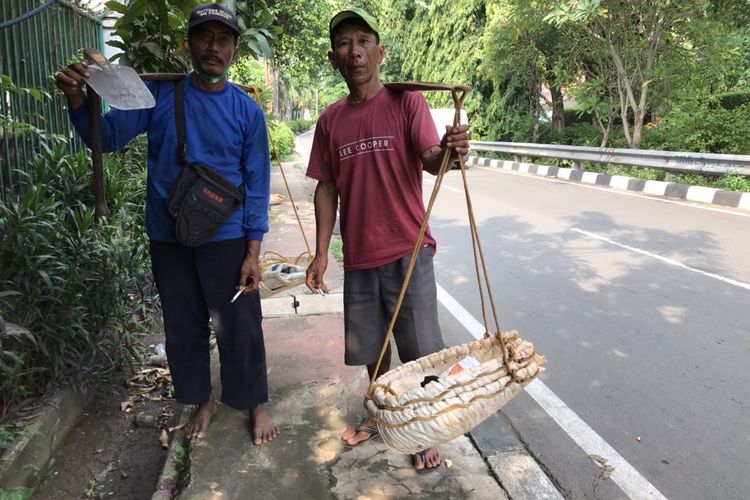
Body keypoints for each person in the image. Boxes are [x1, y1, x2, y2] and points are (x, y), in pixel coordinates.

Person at [55, 3, 279, 445]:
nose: (213, 47)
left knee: (240, 324)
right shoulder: (156, 97)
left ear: (234, 51)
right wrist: (77, 99)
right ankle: (202, 400)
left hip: (227, 237)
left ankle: (255, 401)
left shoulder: (247, 113)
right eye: (205, 38)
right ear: (188, 45)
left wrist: (253, 253)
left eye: (223, 40)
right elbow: (109, 138)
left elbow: (256, 185)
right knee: (182, 323)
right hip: (168, 234)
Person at [304, 8, 470, 472]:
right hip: (358, 257)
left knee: (420, 353)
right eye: (343, 43)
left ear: (380, 52)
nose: (353, 51)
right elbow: (326, 187)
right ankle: (382, 417)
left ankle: (421, 430)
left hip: (408, 251)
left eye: (362, 41)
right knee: (373, 354)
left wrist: (451, 152)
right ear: (334, 59)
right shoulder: (331, 120)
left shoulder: (405, 102)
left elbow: (432, 159)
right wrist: (321, 254)